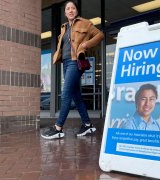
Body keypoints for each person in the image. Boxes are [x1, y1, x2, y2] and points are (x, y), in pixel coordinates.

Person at [41, 1, 104, 139]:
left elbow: (100, 35)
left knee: (66, 94)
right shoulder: (64, 28)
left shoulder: (84, 23)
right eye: (68, 9)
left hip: (76, 62)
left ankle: (58, 128)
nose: (70, 10)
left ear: (76, 10)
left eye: (73, 8)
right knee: (76, 95)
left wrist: (86, 44)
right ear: (65, 13)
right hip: (66, 62)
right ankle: (88, 125)